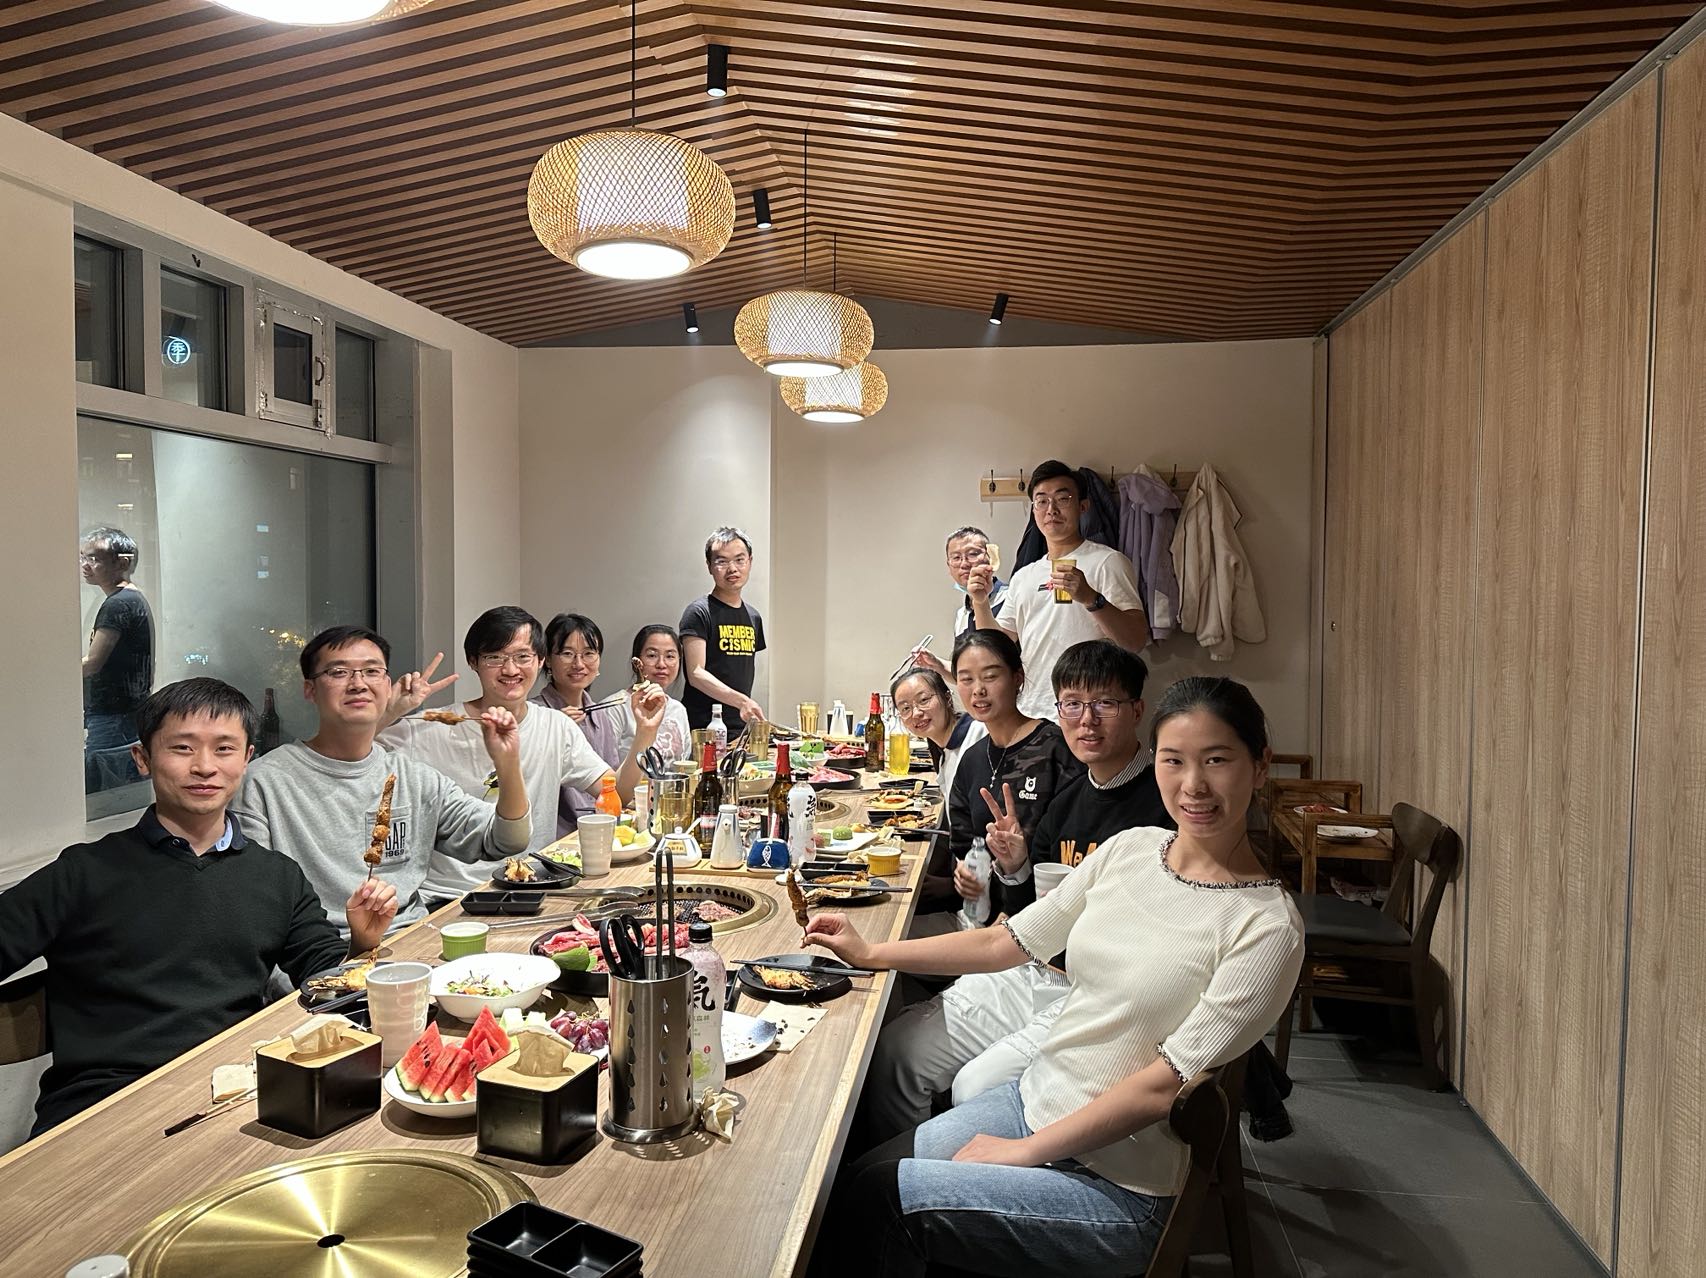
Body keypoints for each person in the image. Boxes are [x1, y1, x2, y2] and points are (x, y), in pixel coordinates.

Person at [805, 676, 1304, 1278]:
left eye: (1216, 760)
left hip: (1121, 1186)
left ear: (1259, 765)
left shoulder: (1266, 928)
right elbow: (1006, 941)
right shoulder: (1132, 849)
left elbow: (1162, 1086)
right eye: (1174, 760)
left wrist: (1023, 1153)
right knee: (852, 1178)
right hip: (1035, 1100)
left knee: (879, 1201)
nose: (1193, 784)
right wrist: (871, 952)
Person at [0, 679, 398, 1136]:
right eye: (182, 748)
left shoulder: (277, 876)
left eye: (224, 749)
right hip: (103, 1105)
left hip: (237, 1090)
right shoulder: (83, 873)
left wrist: (362, 942)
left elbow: (324, 980)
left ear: (247, 758)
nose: (205, 767)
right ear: (143, 758)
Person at [864, 641, 1170, 1147]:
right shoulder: (1068, 797)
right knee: (898, 1052)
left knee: (974, 1087)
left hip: (1100, 989)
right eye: (1073, 704)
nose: (1087, 720)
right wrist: (1014, 865)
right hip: (1035, 964)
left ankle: (965, 1178)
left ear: (1137, 710)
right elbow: (1026, 913)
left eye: (1105, 704)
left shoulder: (1164, 802)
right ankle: (903, 1173)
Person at [231, 625, 530, 932]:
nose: (358, 684)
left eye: (372, 671)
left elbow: (507, 840)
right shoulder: (263, 783)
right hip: (316, 950)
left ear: (388, 686)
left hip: (409, 939)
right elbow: (256, 904)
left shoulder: (415, 779)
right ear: (310, 689)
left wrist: (507, 763)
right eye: (338, 672)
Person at [376, 608, 666, 892]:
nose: (511, 669)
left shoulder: (555, 726)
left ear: (540, 661)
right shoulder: (430, 727)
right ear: (473, 661)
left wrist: (645, 732)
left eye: (522, 657)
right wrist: (391, 711)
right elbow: (354, 756)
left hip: (531, 886)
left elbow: (617, 794)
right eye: (495, 657)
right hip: (451, 893)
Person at [919, 629, 1081, 921]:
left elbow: (1071, 849)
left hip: (1043, 915)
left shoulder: (1054, 748)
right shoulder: (972, 759)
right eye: (966, 679)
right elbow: (964, 842)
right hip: (983, 914)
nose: (978, 690)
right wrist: (964, 871)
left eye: (990, 676)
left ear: (1017, 677)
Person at [969, 459, 1148, 721]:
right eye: (1041, 501)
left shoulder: (1108, 562)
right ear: (1034, 510)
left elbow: (1135, 641)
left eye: (1062, 499)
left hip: (1087, 714)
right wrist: (980, 602)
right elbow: (996, 649)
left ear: (1083, 506)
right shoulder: (1024, 576)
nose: (1051, 509)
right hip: (1031, 710)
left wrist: (1091, 598)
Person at [531, 613, 665, 831]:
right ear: (547, 660)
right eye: (567, 653)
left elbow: (615, 791)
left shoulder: (600, 715)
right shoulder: (537, 715)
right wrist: (553, 735)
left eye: (589, 654)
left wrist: (646, 730)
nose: (578, 664)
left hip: (602, 827)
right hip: (558, 837)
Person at [80, 526, 154, 792]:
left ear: (122, 563)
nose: (85, 565)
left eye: (94, 558)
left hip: (113, 716)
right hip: (123, 714)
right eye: (83, 557)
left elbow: (93, 663)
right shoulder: (131, 598)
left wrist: (53, 675)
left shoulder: (118, 603)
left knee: (106, 787)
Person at [679, 525, 766, 735]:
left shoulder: (753, 617)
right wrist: (742, 701)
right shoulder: (698, 612)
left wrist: (743, 706)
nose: (732, 568)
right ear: (709, 566)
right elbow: (696, 673)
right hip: (703, 729)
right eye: (722, 561)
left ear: (750, 562)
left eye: (739, 559)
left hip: (740, 728)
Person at [908, 527, 1009, 676]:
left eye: (973, 554)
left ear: (991, 557)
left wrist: (980, 602)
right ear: (949, 567)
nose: (964, 564)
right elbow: (967, 675)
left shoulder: (1011, 597)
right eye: (956, 558)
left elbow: (999, 655)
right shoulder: (962, 615)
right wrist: (937, 664)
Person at [890, 665, 985, 810]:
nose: (916, 713)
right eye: (905, 708)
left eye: (923, 700)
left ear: (947, 698)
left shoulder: (979, 735)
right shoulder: (942, 751)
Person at [614, 624, 692, 762]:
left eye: (670, 656)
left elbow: (684, 763)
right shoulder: (616, 707)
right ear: (636, 662)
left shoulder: (678, 710)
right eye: (652, 655)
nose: (661, 664)